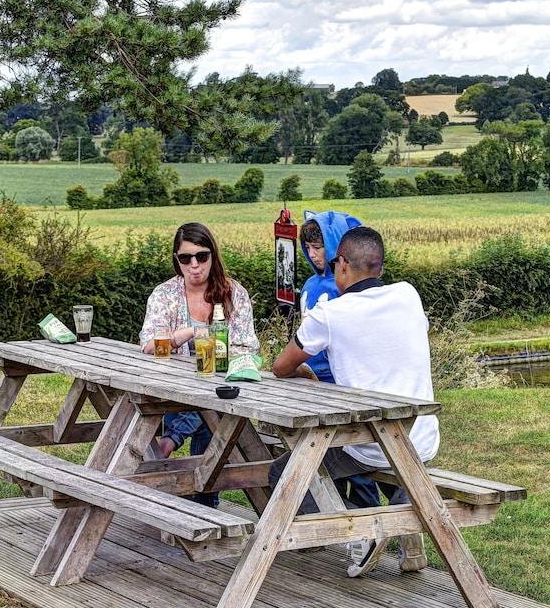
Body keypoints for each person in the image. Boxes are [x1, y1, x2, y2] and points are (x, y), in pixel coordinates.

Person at [271, 226, 437, 577]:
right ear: (379, 266)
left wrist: (302, 371)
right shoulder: (409, 295)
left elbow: (281, 366)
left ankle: (361, 531)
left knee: (281, 472)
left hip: (370, 445)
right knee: (404, 467)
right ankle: (406, 535)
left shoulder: (330, 314)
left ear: (342, 264)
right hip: (422, 438)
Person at [139, 222, 259, 507]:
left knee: (212, 404)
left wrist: (219, 348)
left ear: (213, 256)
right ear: (177, 261)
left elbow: (247, 347)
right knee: (208, 411)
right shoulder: (165, 294)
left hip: (222, 385)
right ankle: (204, 500)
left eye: (202, 256)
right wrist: (190, 333)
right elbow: (149, 347)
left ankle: (171, 443)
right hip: (172, 391)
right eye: (185, 258)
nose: (194, 265)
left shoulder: (233, 293)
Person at [299, 211, 384, 510]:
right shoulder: (310, 286)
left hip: (345, 384)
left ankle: (369, 523)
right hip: (313, 384)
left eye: (318, 247)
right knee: (324, 463)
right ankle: (339, 527)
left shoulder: (351, 290)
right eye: (307, 248)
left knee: (358, 466)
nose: (313, 254)